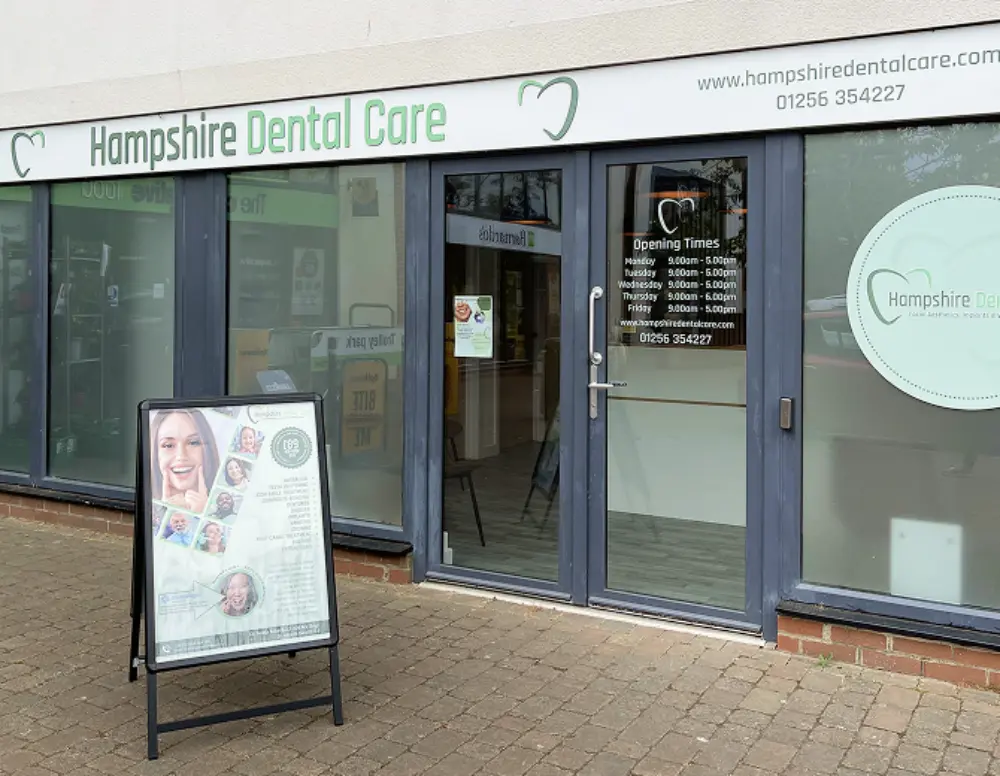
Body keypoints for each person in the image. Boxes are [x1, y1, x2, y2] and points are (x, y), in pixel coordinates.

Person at [150, 410, 220, 514]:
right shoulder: (146, 511)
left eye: (192, 442)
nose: (181, 456)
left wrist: (203, 515)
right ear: (155, 454)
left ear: (207, 450)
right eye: (168, 445)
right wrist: (165, 515)